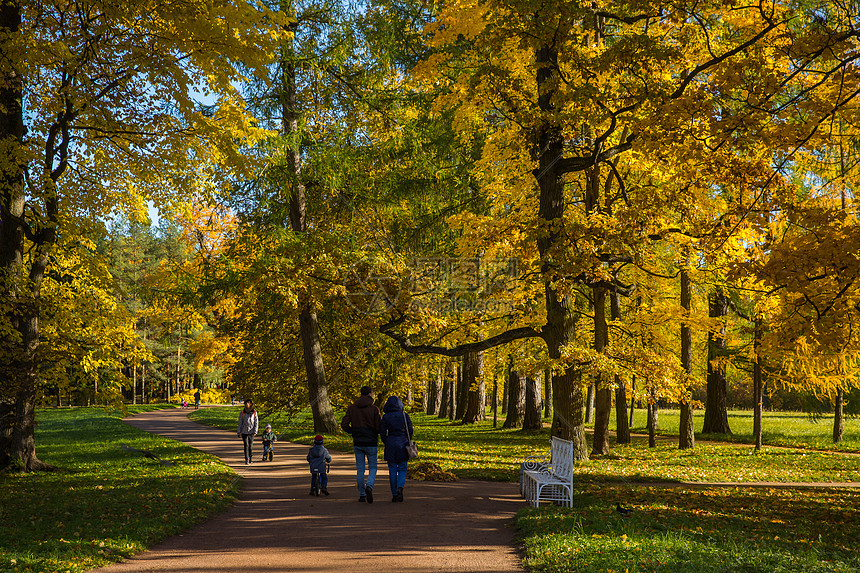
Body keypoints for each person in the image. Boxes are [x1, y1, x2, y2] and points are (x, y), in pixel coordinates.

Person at [341, 385, 381, 503]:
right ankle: (369, 486)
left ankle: (362, 494)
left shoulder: (352, 408)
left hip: (358, 441)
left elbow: (344, 424)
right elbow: (378, 426)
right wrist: (376, 432)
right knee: (373, 467)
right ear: (370, 394)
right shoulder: (374, 409)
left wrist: (353, 431)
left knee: (360, 469)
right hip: (371, 442)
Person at [380, 395, 413, 503]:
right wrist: (408, 440)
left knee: (392, 469)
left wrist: (386, 441)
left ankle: (394, 494)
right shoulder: (404, 415)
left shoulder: (386, 417)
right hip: (403, 443)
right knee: (403, 468)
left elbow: (383, 432)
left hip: (391, 444)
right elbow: (410, 430)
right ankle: (400, 487)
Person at [237, 399, 258, 465]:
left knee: (250, 446)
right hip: (244, 431)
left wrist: (255, 431)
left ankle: (250, 457)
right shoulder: (242, 412)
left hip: (251, 431)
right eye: (246, 403)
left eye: (248, 403)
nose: (247, 404)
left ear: (250, 404)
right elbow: (240, 422)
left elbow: (256, 422)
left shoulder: (254, 412)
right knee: (246, 445)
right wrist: (239, 432)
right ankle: (247, 459)